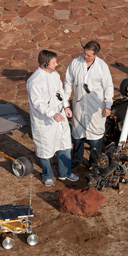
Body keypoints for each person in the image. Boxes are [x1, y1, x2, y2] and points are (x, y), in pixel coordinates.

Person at [27, 50, 79, 187]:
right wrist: (52, 114)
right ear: (45, 64)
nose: (57, 64)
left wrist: (66, 106)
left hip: (59, 117)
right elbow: (38, 103)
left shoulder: (55, 75)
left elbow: (60, 93)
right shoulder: (34, 81)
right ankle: (47, 175)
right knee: (45, 150)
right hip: (44, 122)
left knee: (65, 145)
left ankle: (65, 173)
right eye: (54, 62)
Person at [64, 41, 114, 173]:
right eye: (84, 53)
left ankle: (94, 162)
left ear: (96, 55)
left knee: (95, 136)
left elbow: (108, 86)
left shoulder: (102, 67)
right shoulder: (75, 63)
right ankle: (77, 159)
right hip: (79, 106)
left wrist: (108, 105)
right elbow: (68, 82)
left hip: (96, 108)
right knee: (77, 135)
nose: (85, 57)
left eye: (89, 55)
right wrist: (65, 102)